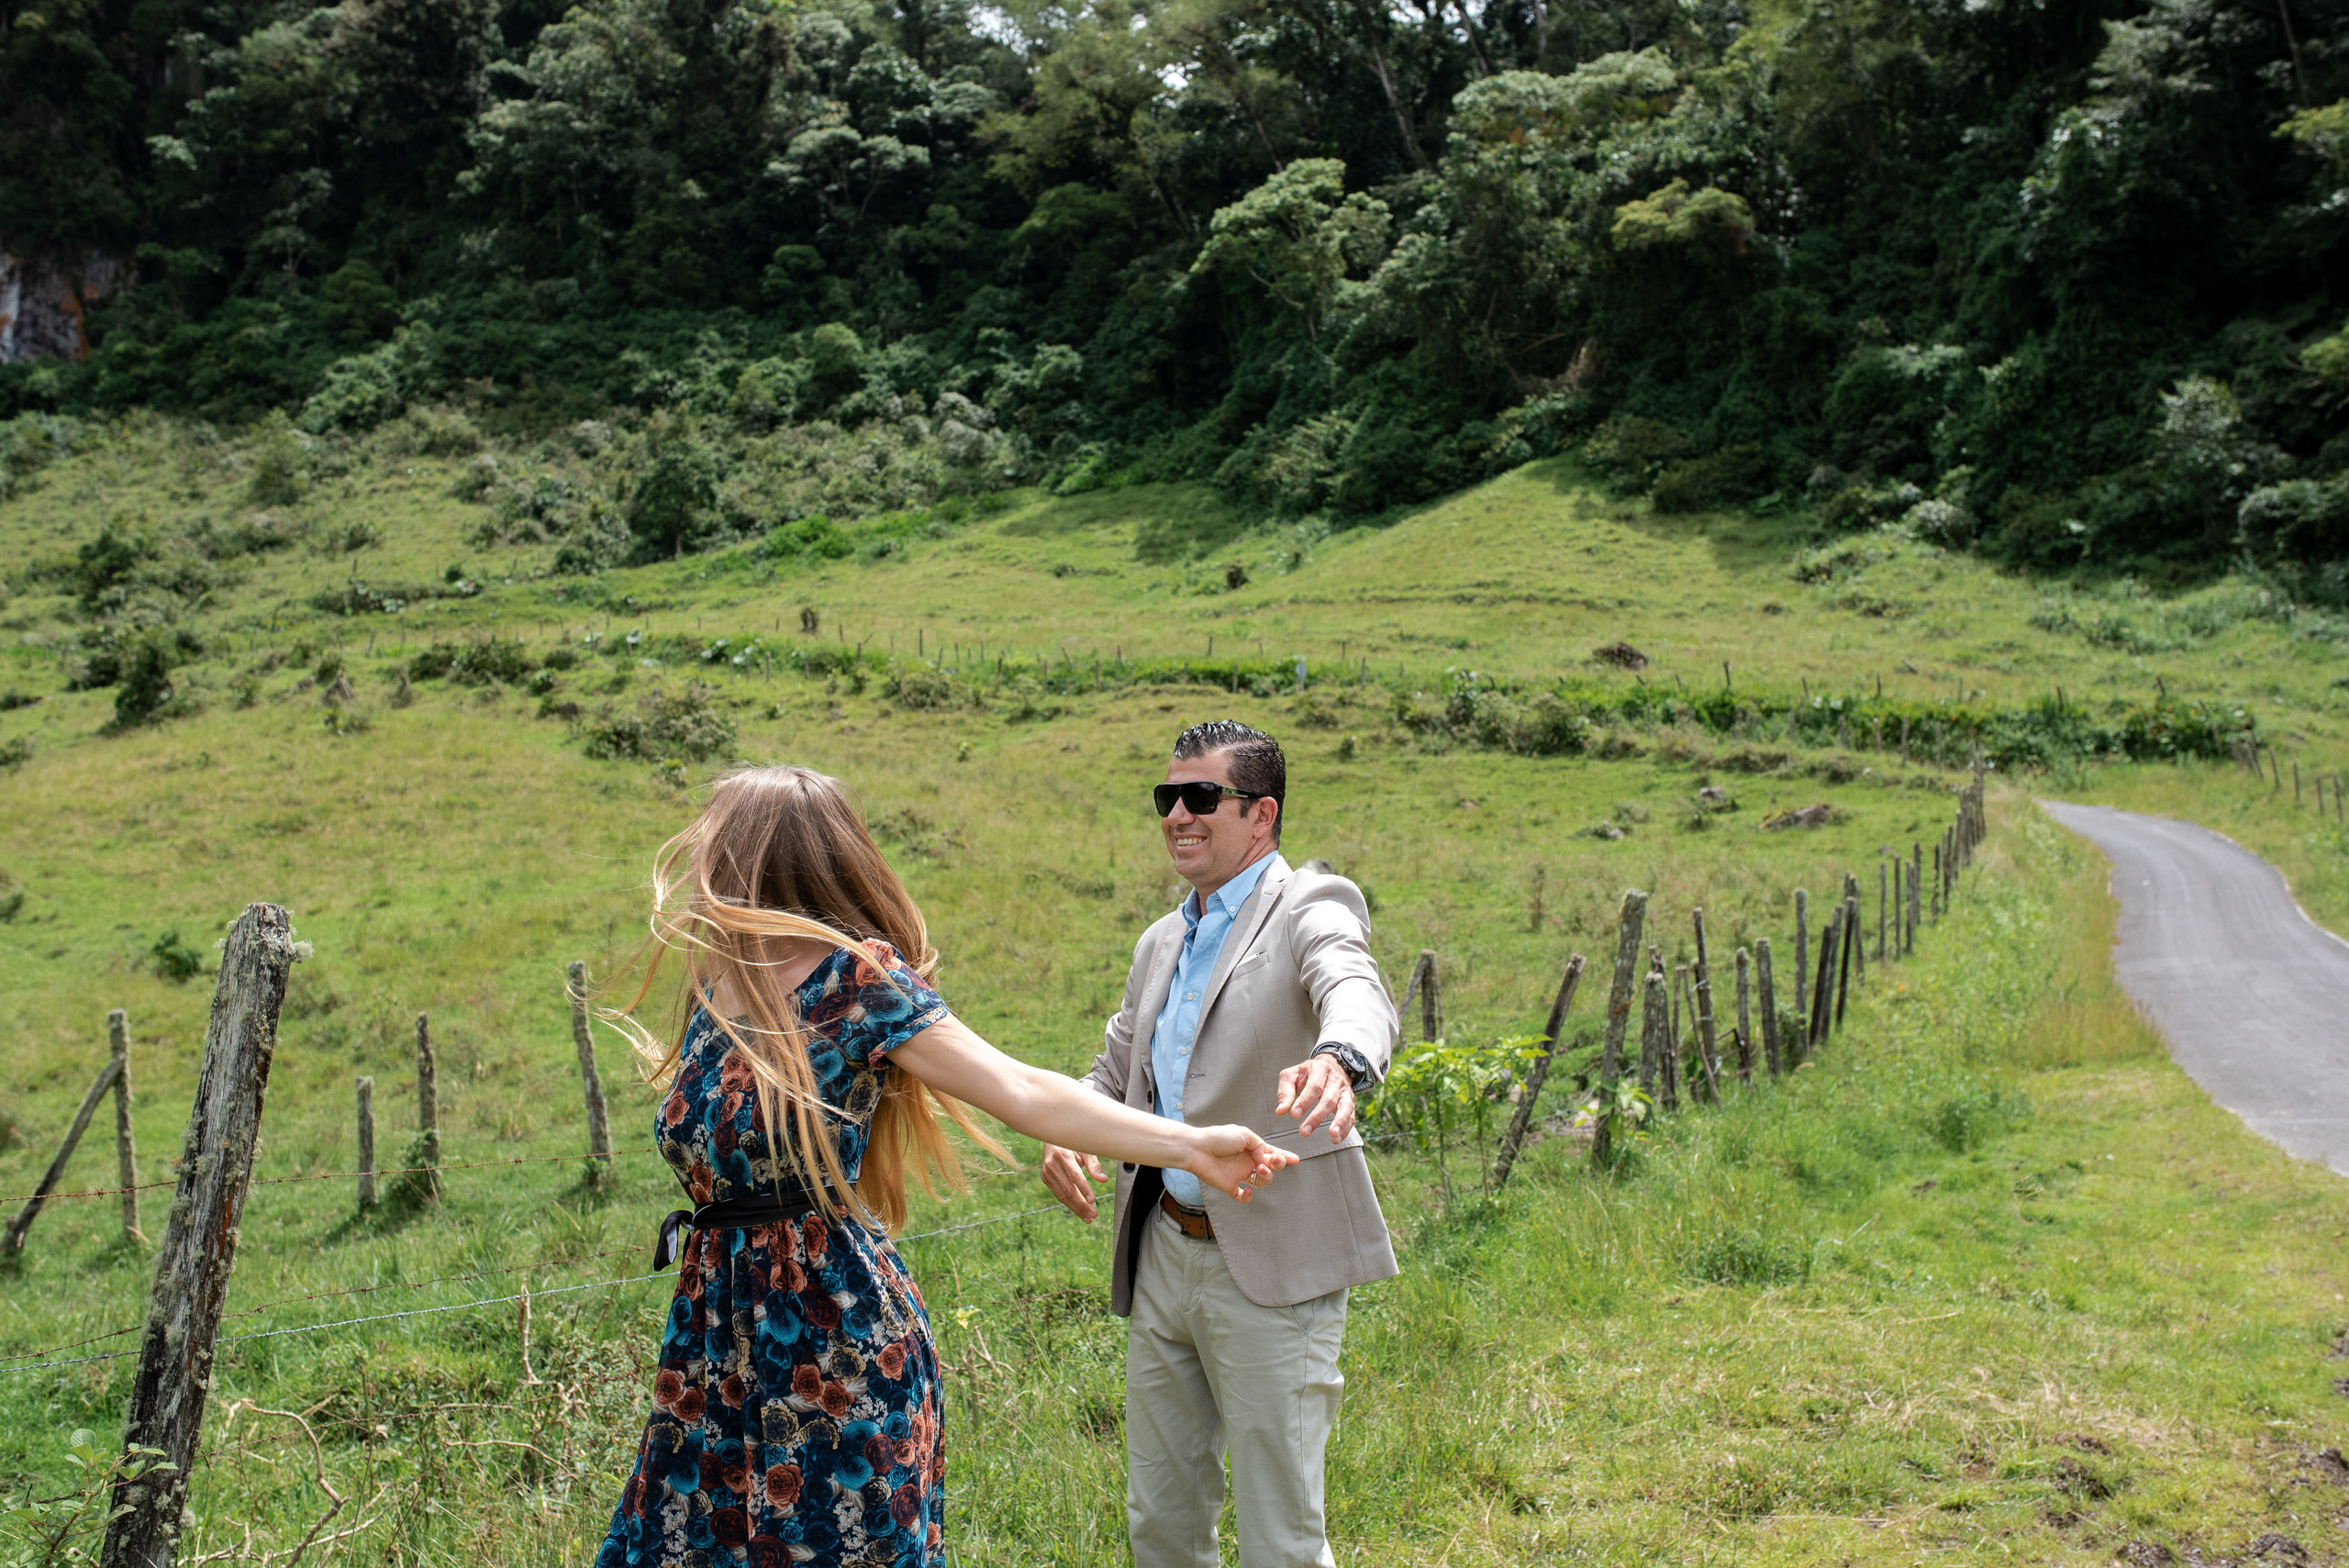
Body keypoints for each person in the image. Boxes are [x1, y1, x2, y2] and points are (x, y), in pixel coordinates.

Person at [594, 764, 1299, 1568]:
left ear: (755, 852)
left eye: (717, 837)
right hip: (713, 1338)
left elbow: (1019, 1087)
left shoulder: (856, 978)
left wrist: (1189, 1143)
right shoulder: (716, 984)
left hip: (834, 1340)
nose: (702, 860)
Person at [1039, 719, 1399, 1568]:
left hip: (1272, 1261)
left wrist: (1340, 1057)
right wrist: (1069, 1131)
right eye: (1169, 798)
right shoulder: (1160, 939)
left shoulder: (1311, 903)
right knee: (1160, 1521)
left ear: (1261, 815)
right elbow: (1117, 1068)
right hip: (1164, 1247)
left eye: (1202, 797)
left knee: (1280, 1534)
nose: (1178, 816)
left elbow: (1353, 984)